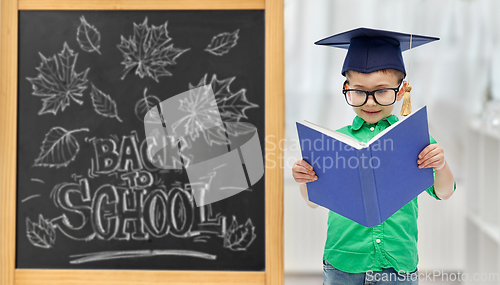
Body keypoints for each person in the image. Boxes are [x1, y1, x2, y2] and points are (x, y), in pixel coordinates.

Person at [291, 28, 456, 285]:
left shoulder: (415, 139)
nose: (370, 102)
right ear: (347, 89)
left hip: (398, 263)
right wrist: (305, 178)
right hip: (344, 263)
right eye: (359, 92)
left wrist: (441, 164)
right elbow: (313, 202)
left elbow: (444, 192)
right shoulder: (334, 142)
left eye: (381, 91)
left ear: (400, 92)